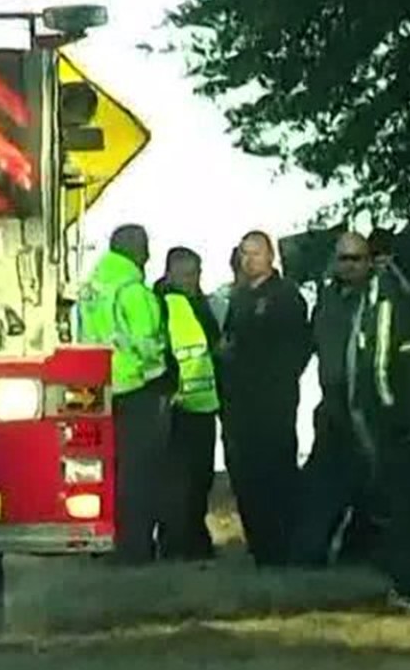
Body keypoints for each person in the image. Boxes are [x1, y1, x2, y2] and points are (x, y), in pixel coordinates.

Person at [348, 226, 410, 608]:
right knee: (404, 503)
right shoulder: (390, 296)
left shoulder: (401, 292)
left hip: (403, 416)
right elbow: (380, 361)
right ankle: (404, 585)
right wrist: (393, 416)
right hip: (394, 420)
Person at [76, 223, 172, 565]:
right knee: (139, 474)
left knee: (108, 472)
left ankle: (106, 544)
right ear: (135, 249)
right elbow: (150, 346)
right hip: (136, 390)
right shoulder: (133, 289)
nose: (148, 254)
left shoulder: (92, 287)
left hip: (97, 391)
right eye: (144, 247)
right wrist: (161, 381)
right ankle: (135, 550)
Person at [219, 230, 311, 567]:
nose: (249, 260)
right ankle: (259, 546)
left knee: (276, 473)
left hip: (273, 403)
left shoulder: (285, 295)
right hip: (239, 404)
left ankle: (282, 547)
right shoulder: (240, 297)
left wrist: (278, 380)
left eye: (255, 253)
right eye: (244, 253)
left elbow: (300, 346)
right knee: (246, 476)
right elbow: (229, 341)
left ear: (270, 256)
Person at [292, 231, 376, 565]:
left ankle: (360, 554)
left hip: (368, 407)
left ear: (368, 261)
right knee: (320, 485)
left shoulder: (379, 299)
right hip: (332, 406)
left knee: (372, 486)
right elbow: (311, 343)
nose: (349, 266)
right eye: (343, 258)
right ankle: (308, 556)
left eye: (356, 259)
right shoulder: (328, 299)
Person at [154, 246, 221, 561]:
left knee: (200, 479)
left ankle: (194, 539)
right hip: (176, 407)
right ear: (170, 273)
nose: (193, 280)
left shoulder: (200, 303)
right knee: (177, 482)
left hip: (203, 406)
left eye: (196, 273)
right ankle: (177, 543)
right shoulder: (162, 304)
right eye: (186, 274)